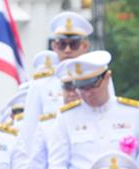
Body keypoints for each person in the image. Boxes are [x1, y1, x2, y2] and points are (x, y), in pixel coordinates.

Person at [18, 12, 93, 149]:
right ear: (54, 47)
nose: (68, 50)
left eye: (74, 44)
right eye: (62, 44)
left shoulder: (96, 78)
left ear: (85, 46)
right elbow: (30, 131)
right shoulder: (41, 84)